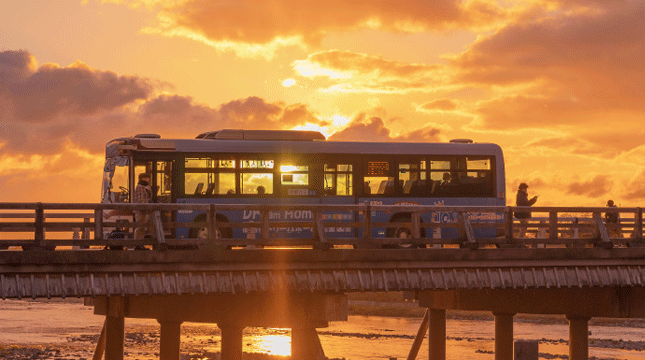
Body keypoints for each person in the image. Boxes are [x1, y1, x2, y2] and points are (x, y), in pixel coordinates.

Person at [133, 173, 152, 241]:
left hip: (144, 210)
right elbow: (141, 200)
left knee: (143, 228)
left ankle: (139, 244)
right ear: (143, 178)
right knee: (140, 228)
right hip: (141, 211)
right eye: (147, 178)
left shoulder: (145, 187)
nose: (148, 179)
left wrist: (149, 191)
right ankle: (138, 244)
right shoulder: (140, 187)